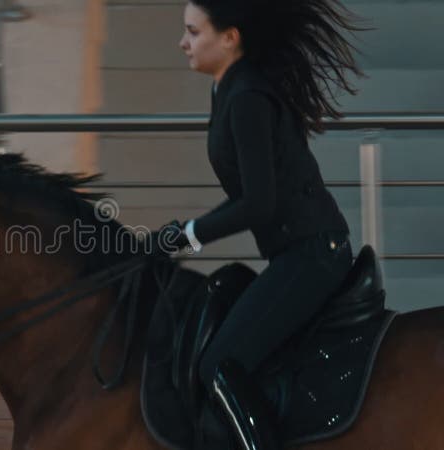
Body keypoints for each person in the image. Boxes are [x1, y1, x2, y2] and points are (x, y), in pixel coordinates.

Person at [156, 0, 369, 448]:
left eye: (193, 32)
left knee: (217, 366)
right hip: (296, 252)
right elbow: (249, 198)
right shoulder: (228, 89)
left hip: (313, 255)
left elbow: (257, 205)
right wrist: (182, 233)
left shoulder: (247, 96)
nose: (182, 43)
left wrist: (188, 234)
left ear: (229, 38)